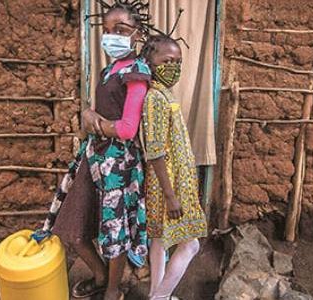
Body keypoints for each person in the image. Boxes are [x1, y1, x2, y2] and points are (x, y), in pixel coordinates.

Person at [41, 1, 152, 299]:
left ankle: (113, 290)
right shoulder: (109, 70)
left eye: (122, 30)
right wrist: (93, 118)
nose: (113, 36)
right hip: (94, 156)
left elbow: (127, 129)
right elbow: (104, 113)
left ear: (137, 34)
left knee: (115, 230)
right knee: (72, 219)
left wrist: (92, 119)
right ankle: (101, 275)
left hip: (119, 165)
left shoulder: (137, 73)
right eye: (107, 31)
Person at [141, 34, 208, 300]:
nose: (175, 67)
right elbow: (155, 151)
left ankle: (155, 294)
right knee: (190, 244)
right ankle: (161, 296)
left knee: (159, 239)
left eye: (179, 62)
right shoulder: (155, 98)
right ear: (150, 61)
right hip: (167, 185)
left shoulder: (163, 93)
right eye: (168, 60)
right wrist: (170, 196)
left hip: (169, 182)